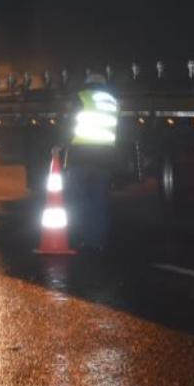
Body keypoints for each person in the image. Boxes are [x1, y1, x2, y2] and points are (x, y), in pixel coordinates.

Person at [65, 72, 120, 252]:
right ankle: (99, 241)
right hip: (104, 159)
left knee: (80, 201)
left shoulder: (81, 97)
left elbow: (69, 126)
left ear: (88, 84)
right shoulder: (113, 102)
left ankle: (85, 239)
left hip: (81, 156)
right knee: (100, 201)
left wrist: (60, 145)